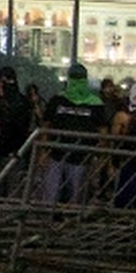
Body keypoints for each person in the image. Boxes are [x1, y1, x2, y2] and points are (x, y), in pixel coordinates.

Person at [39, 63, 109, 204]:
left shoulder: (95, 104)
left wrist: (100, 155)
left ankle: (70, 221)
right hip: (57, 154)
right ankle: (49, 221)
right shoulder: (58, 100)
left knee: (76, 196)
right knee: (51, 196)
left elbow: (103, 132)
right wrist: (43, 151)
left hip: (81, 157)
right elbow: (46, 125)